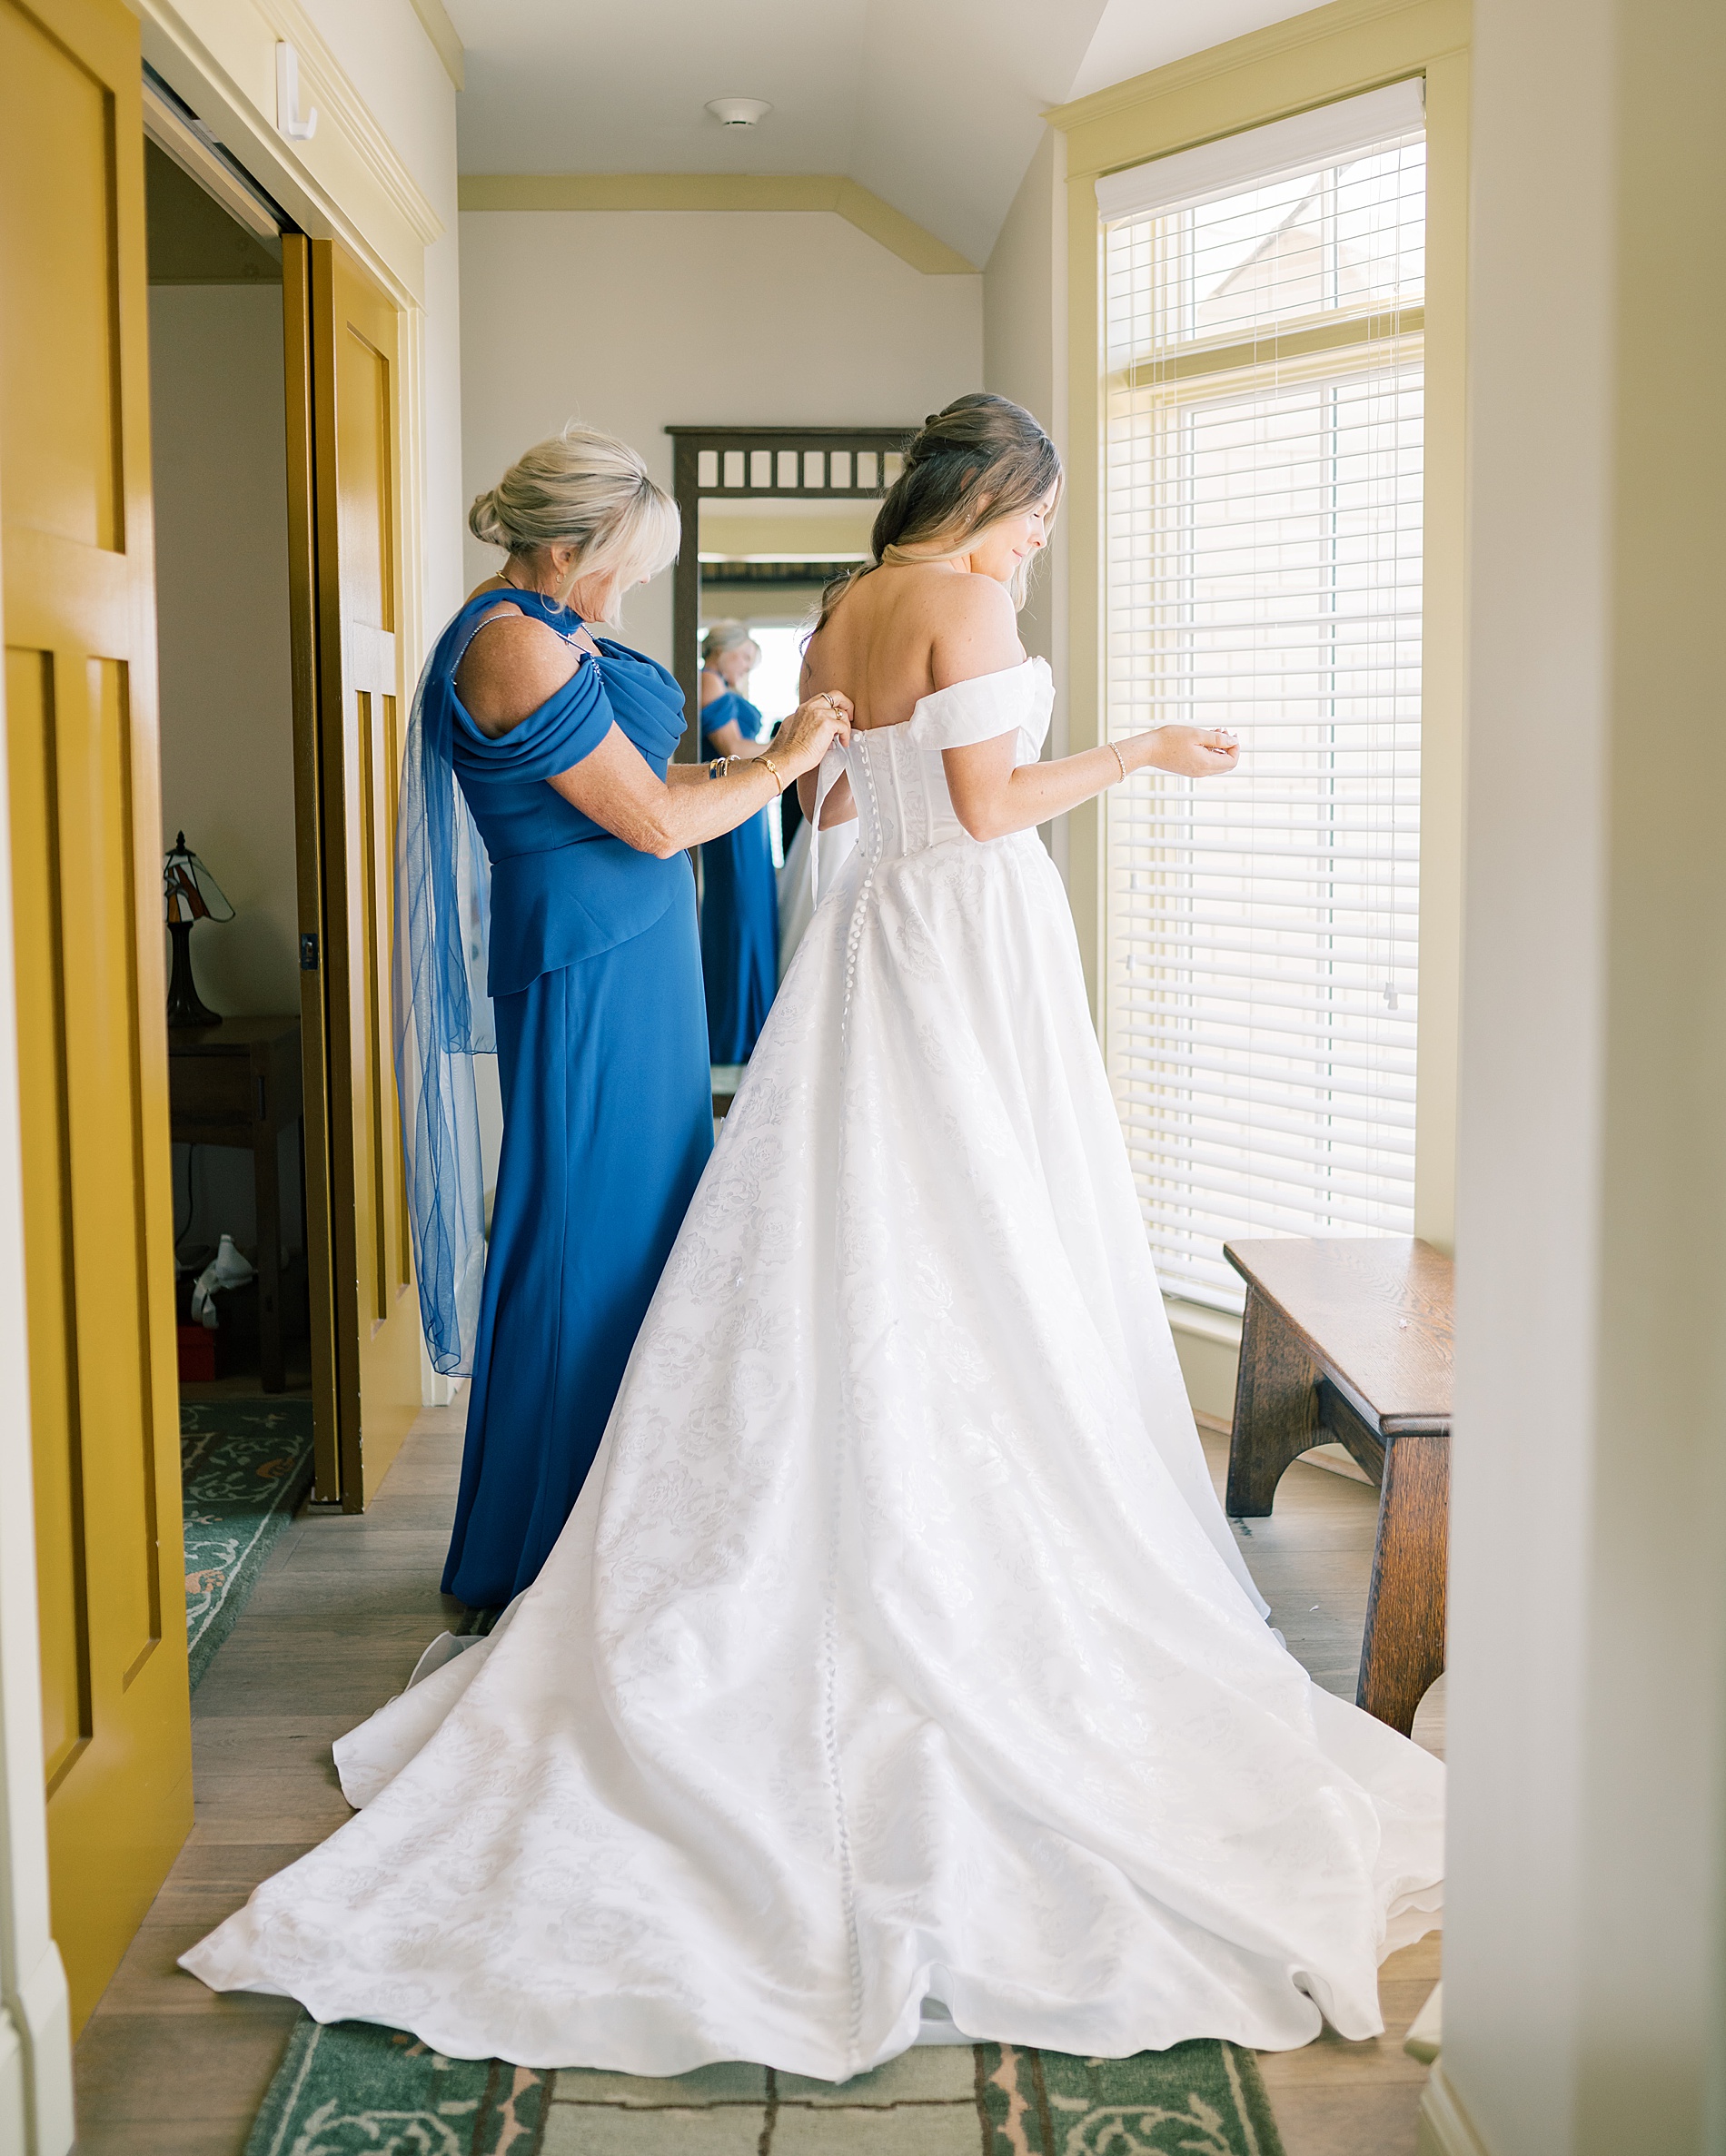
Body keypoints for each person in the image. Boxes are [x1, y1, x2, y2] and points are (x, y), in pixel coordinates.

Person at [185, 395, 1443, 2077]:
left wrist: (836, 899)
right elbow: (986, 812)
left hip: (869, 956)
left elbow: (838, 813)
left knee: (852, 1253)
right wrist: (1140, 753)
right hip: (961, 950)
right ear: (997, 494)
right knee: (981, 1253)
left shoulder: (848, 604)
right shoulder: (957, 603)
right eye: (1039, 517)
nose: (1037, 546)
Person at [393, 424, 850, 1611]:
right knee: (578, 1237)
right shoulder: (507, 645)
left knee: (647, 1232)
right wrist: (778, 760)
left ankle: (626, 1515)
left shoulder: (553, 627)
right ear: (565, 543)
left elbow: (661, 791)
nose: (634, 583)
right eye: (625, 560)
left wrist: (775, 767)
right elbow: (649, 820)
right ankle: (536, 1541)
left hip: (640, 955)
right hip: (586, 964)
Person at [696, 622, 778, 1059]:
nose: (745, 666)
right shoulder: (708, 680)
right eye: (744, 657)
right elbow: (729, 745)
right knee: (740, 908)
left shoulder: (722, 684)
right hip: (732, 806)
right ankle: (737, 1027)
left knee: (749, 905)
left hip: (747, 806)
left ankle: (747, 1021)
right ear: (723, 651)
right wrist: (785, 747)